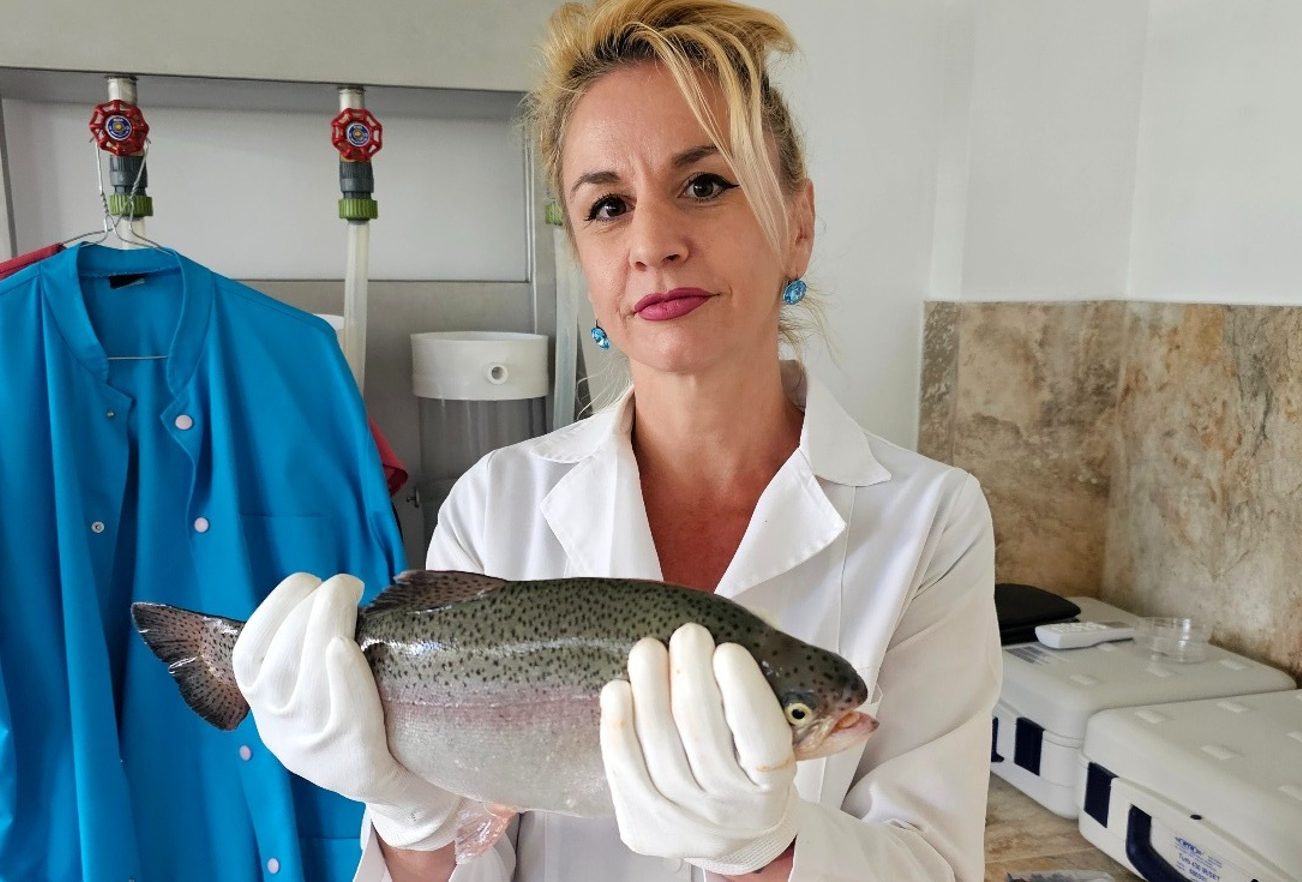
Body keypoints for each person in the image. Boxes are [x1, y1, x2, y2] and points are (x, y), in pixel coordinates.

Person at [230, 0, 1003, 880]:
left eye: (704, 185)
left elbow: (935, 864)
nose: (653, 244)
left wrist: (770, 853)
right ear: (586, 268)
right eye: (607, 206)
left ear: (798, 224)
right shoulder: (497, 502)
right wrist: (412, 817)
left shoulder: (931, 520)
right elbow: (467, 856)